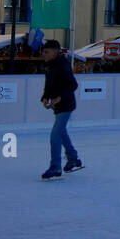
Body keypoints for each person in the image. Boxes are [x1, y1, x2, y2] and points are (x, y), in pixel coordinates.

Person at [40, 40, 82, 179]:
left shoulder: (63, 65)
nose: (43, 54)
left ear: (55, 51)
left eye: (46, 52)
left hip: (66, 105)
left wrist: (58, 98)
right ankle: (73, 158)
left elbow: (73, 85)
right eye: (43, 51)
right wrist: (45, 97)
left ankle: (55, 166)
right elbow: (48, 84)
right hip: (58, 105)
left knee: (55, 135)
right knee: (61, 133)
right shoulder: (49, 66)